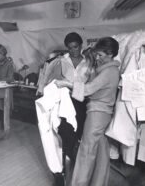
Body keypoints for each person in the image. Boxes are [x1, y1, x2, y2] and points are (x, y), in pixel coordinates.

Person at [56, 37, 120, 186]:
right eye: (97, 54)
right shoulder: (108, 69)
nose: (97, 58)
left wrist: (66, 83)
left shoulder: (109, 71)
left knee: (86, 151)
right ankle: (98, 182)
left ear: (110, 54)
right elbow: (92, 86)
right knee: (101, 151)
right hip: (102, 113)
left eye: (101, 55)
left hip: (97, 113)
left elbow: (89, 89)